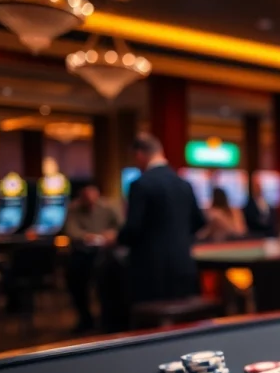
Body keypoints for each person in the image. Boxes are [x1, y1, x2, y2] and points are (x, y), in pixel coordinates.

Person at [117, 134, 205, 303]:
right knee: (183, 323)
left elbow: (133, 228)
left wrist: (116, 238)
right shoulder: (184, 184)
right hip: (184, 265)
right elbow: (199, 221)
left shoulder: (140, 184)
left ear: (139, 155)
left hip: (150, 272)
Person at [63, 182, 121, 332]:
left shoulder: (108, 207)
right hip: (82, 253)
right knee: (75, 279)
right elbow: (71, 231)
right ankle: (85, 319)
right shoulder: (73, 208)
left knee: (109, 282)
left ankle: (107, 320)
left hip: (104, 253)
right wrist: (86, 237)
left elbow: (121, 226)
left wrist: (111, 235)